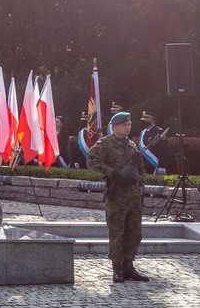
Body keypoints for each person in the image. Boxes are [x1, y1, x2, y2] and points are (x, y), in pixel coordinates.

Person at [87, 109, 150, 283]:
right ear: (114, 127)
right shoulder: (104, 143)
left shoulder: (132, 144)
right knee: (117, 232)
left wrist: (141, 178)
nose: (128, 127)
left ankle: (129, 266)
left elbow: (140, 166)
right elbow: (91, 161)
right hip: (118, 197)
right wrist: (113, 173)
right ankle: (117, 269)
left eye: (129, 124)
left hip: (134, 196)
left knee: (134, 232)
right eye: (124, 124)